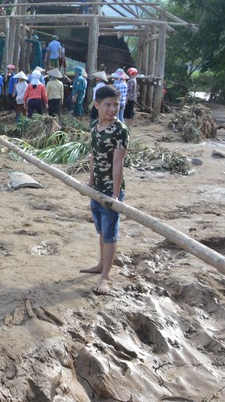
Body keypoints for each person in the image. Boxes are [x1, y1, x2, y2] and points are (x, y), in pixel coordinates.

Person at [80, 85, 128, 295]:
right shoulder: (94, 127)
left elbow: (118, 163)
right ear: (97, 105)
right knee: (101, 230)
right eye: (107, 105)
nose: (112, 109)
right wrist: (90, 182)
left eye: (116, 104)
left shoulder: (120, 130)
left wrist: (115, 195)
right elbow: (93, 156)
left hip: (110, 191)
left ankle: (105, 277)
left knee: (109, 234)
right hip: (96, 189)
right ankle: (101, 264)